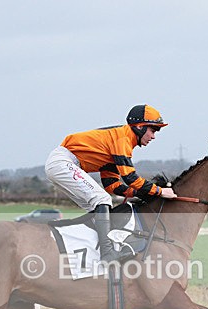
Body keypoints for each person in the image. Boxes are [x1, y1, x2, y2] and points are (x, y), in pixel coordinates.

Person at [44, 104, 177, 263]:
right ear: (140, 127)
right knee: (102, 200)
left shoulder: (119, 141)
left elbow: (111, 184)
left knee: (99, 209)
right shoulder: (122, 139)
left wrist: (135, 193)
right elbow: (130, 178)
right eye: (153, 130)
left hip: (63, 164)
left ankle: (90, 250)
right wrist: (160, 191)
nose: (154, 136)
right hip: (62, 162)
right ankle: (107, 254)